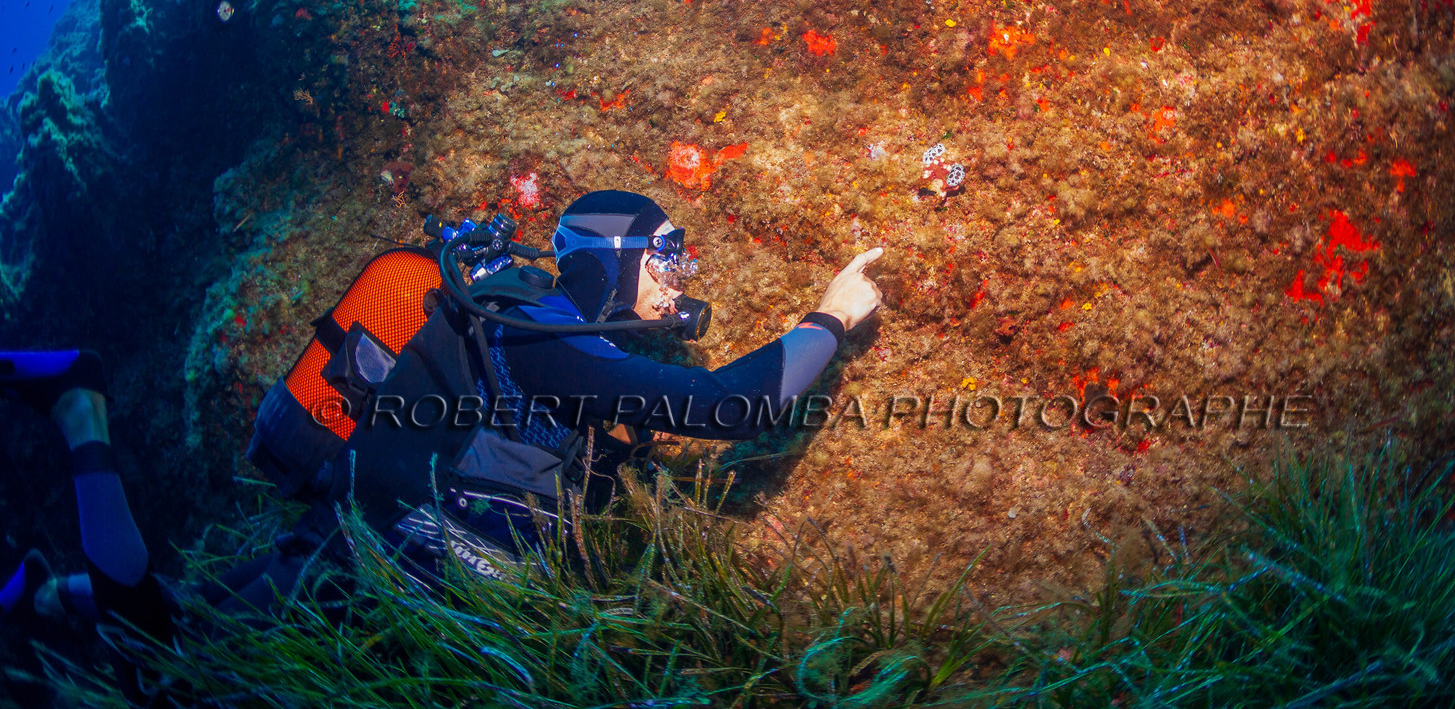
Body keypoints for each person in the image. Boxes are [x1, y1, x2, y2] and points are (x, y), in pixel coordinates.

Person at [1, 190, 884, 690]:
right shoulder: (544, 340)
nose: (678, 280)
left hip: (355, 548)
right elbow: (730, 407)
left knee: (181, 612)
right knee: (160, 658)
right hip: (365, 576)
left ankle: (35, 595)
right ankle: (82, 411)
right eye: (667, 254)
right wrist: (829, 319)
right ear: (613, 256)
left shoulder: (541, 331)